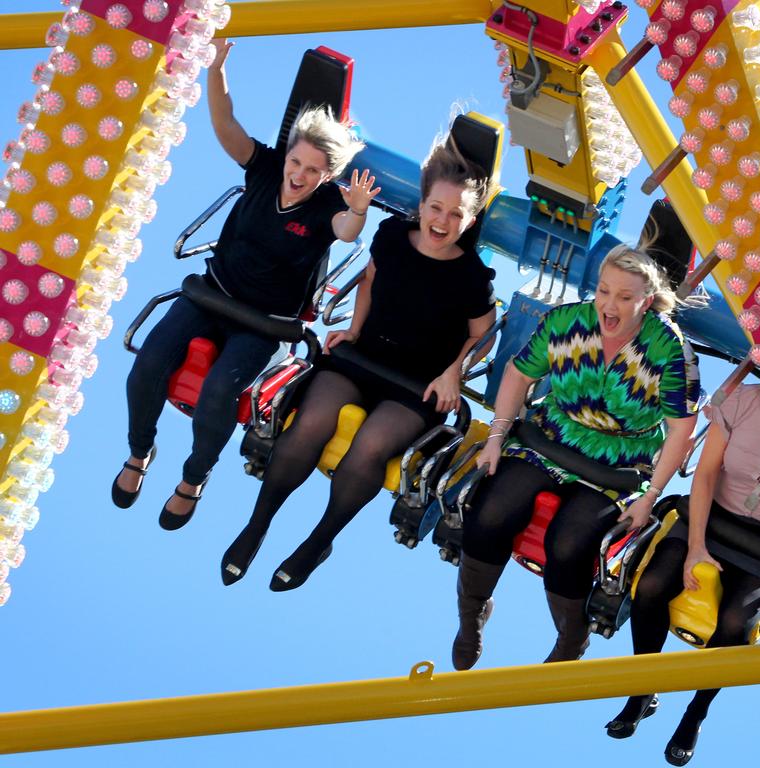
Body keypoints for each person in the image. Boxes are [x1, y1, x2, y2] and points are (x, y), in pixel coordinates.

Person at [111, 38, 379, 529]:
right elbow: (225, 124)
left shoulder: (327, 207)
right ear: (287, 156)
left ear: (327, 176)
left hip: (263, 322)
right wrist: (216, 70)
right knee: (149, 360)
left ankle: (193, 478)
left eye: (313, 171)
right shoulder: (264, 168)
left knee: (218, 393)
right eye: (296, 163)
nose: (298, 175)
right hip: (214, 294)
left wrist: (358, 207)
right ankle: (138, 452)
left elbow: (346, 232)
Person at [220, 138, 498, 591]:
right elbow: (369, 282)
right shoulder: (391, 237)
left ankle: (318, 541)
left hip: (415, 383)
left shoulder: (470, 276)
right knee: (310, 423)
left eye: (455, 214)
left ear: (469, 220)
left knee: (367, 449)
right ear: (422, 204)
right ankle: (257, 526)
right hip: (365, 356)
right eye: (435, 207)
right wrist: (353, 328)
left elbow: (482, 334)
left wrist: (454, 372)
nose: (442, 221)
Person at [451, 243, 702, 671]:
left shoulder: (669, 350)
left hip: (617, 462)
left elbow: (681, 428)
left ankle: (571, 637)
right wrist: (495, 437)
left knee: (569, 544)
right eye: (604, 291)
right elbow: (518, 373)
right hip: (551, 436)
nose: (610, 304)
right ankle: (472, 613)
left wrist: (651, 494)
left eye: (625, 297)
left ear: (646, 300)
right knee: (492, 511)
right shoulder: (567, 321)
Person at [603, 382, 760, 766]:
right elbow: (706, 473)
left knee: (736, 624)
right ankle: (642, 690)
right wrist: (695, 545)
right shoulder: (747, 400)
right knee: (651, 585)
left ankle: (696, 711)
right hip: (710, 517)